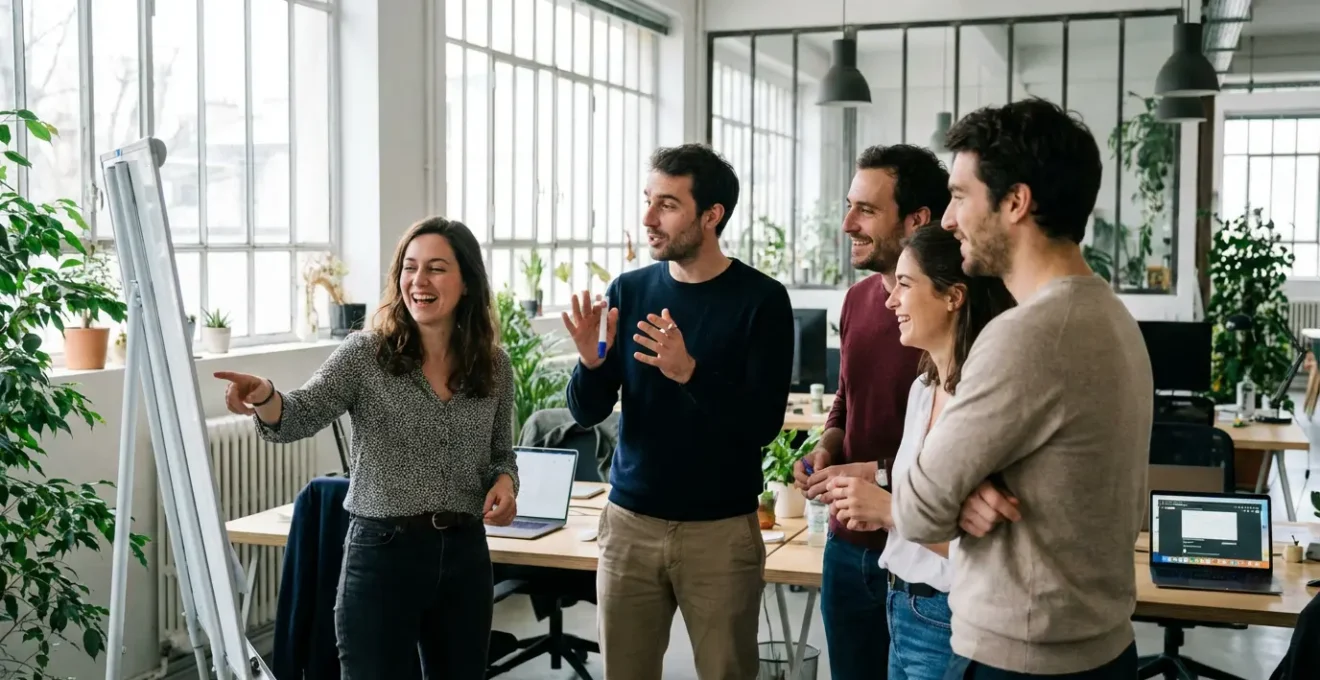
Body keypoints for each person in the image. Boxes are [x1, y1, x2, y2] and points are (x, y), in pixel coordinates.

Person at [889, 98, 1154, 678]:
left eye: (960, 196)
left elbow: (913, 509)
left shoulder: (1027, 336)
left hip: (1024, 658)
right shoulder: (1113, 317)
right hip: (1098, 646)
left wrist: (951, 492)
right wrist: (966, 490)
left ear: (1016, 202)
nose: (949, 220)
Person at [215, 217, 519, 680]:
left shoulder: (493, 364)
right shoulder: (366, 355)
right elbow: (298, 414)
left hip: (464, 557)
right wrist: (264, 396)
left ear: (468, 283)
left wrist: (505, 483)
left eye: (436, 268)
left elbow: (502, 455)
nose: (419, 281)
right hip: (383, 556)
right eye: (410, 268)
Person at [561, 143, 795, 680]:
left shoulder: (761, 300)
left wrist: (689, 372)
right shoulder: (630, 289)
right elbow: (588, 410)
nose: (648, 218)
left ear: (711, 216)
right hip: (629, 525)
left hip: (721, 532)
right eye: (648, 200)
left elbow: (762, 424)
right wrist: (589, 360)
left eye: (667, 204)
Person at [825, 224, 1015, 680]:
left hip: (949, 615)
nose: (891, 300)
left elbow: (986, 545)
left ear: (954, 297)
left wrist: (890, 511)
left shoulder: (983, 401)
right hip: (903, 604)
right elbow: (934, 502)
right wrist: (874, 485)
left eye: (906, 285)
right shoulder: (924, 388)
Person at [789, 144, 946, 678]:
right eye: (849, 205)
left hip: (922, 548)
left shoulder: (950, 320)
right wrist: (828, 446)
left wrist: (875, 475)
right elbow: (847, 396)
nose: (847, 223)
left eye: (866, 210)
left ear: (917, 219)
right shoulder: (856, 301)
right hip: (848, 543)